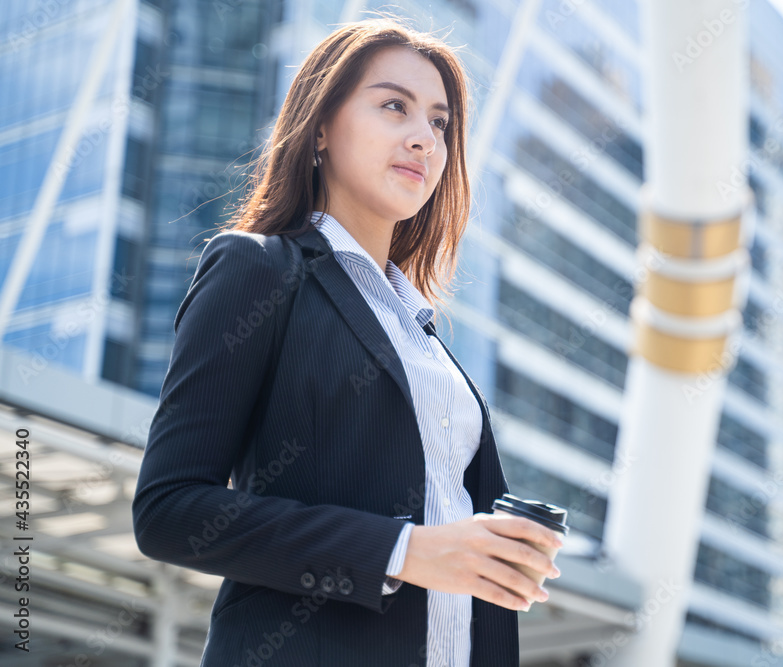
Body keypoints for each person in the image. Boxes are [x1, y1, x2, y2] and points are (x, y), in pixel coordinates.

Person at [131, 17, 563, 667]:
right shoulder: (259, 270)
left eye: (440, 123)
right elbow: (169, 509)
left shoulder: (422, 335)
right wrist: (404, 551)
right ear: (322, 128)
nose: (424, 138)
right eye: (395, 106)